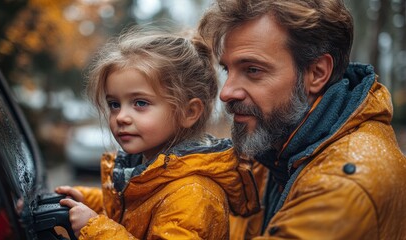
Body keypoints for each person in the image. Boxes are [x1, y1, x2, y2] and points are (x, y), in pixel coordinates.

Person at [198, 0, 406, 239]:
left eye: (253, 70)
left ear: (316, 73)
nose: (226, 92)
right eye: (227, 70)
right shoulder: (274, 147)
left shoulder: (345, 187)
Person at [55, 27, 259, 239]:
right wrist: (87, 201)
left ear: (189, 112)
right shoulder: (149, 170)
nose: (121, 116)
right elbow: (137, 205)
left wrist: (95, 229)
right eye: (114, 104)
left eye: (140, 103)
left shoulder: (192, 195)